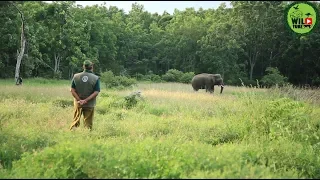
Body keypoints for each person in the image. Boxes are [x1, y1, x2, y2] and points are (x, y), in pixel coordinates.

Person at [69, 60, 100, 130]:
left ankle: (72, 133)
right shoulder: (95, 78)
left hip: (78, 104)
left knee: (75, 121)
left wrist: (79, 100)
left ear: (83, 66)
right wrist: (86, 100)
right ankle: (87, 136)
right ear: (91, 67)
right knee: (88, 123)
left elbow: (72, 90)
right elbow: (96, 92)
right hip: (89, 104)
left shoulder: (76, 76)